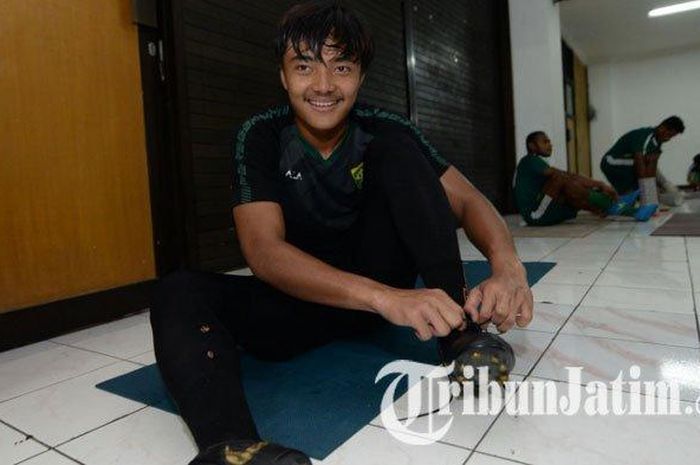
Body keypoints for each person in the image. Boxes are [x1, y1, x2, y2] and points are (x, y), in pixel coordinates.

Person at [151, 2, 533, 464]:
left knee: (398, 146)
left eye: (342, 67)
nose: (324, 86)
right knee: (178, 290)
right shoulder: (260, 137)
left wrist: (508, 267)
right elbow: (264, 252)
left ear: (360, 77)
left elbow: (469, 199)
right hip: (305, 300)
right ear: (283, 75)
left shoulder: (384, 130)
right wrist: (379, 296)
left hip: (384, 288)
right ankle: (231, 447)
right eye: (305, 67)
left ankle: (460, 336)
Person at [514, 131, 655, 226]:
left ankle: (621, 208)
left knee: (570, 188)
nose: (550, 144)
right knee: (562, 180)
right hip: (535, 215)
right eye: (545, 142)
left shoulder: (536, 162)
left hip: (545, 210)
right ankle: (615, 204)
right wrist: (599, 184)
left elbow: (568, 177)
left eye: (549, 141)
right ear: (532, 146)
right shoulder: (529, 160)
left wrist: (598, 185)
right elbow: (563, 176)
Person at [600, 116, 685, 206]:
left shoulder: (657, 143)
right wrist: (651, 196)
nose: (668, 139)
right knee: (645, 186)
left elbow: (651, 171)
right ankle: (665, 188)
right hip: (611, 162)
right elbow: (641, 168)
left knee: (632, 198)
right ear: (662, 128)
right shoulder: (644, 137)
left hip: (625, 166)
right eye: (669, 135)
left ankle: (603, 200)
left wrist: (652, 191)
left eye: (671, 137)